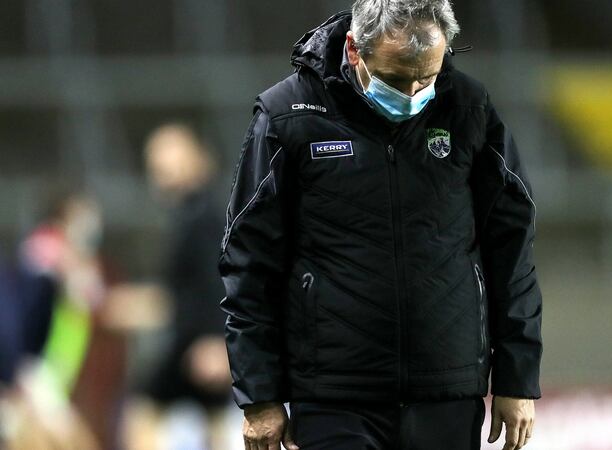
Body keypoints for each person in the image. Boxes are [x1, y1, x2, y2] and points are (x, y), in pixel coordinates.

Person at [219, 1, 543, 449]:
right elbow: (248, 264)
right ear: (354, 50)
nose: (412, 92)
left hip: (446, 390)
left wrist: (517, 376)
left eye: (426, 76)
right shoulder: (287, 116)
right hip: (336, 396)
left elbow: (512, 252)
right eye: (395, 78)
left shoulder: (468, 108)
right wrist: (259, 397)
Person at [124, 124, 232, 450]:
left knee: (143, 414)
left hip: (197, 345)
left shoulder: (204, 216)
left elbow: (219, 279)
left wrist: (219, 341)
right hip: (192, 341)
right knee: (211, 424)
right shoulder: (189, 213)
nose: (159, 171)